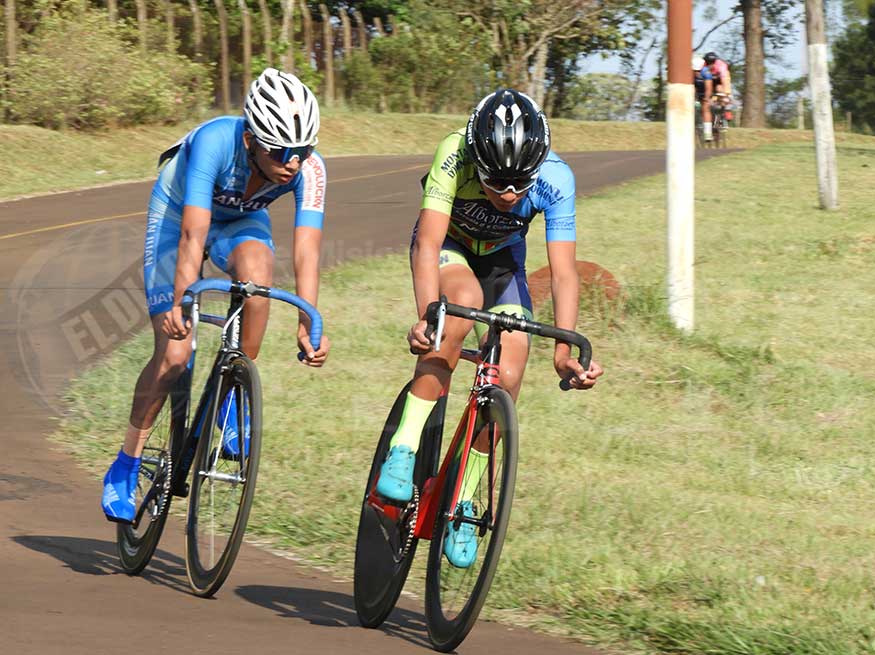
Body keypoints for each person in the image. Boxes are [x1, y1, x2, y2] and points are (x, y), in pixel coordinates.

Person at [374, 89, 604, 567]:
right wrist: (427, 316)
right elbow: (428, 243)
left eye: (521, 183)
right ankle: (404, 446)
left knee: (512, 364)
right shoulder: (454, 151)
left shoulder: (557, 178)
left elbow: (563, 273)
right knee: (460, 307)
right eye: (497, 182)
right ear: (477, 161)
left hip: (502, 263)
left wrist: (563, 352)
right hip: (449, 248)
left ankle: (464, 500)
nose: (509, 194)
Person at [101, 68, 331, 523]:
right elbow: (193, 233)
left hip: (241, 220)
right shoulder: (214, 141)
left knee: (259, 279)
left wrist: (310, 322)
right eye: (281, 151)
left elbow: (308, 248)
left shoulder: (311, 169)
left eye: (302, 151)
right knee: (174, 355)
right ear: (251, 140)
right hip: (178, 217)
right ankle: (125, 465)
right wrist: (180, 303)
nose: (293, 162)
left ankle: (231, 398)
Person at [695, 51, 732, 141]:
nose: (710, 65)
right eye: (708, 63)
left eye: (712, 63)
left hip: (719, 80)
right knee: (707, 100)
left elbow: (725, 81)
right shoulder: (703, 66)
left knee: (720, 90)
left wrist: (726, 94)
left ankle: (725, 112)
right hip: (708, 80)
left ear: (715, 61)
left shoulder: (721, 66)